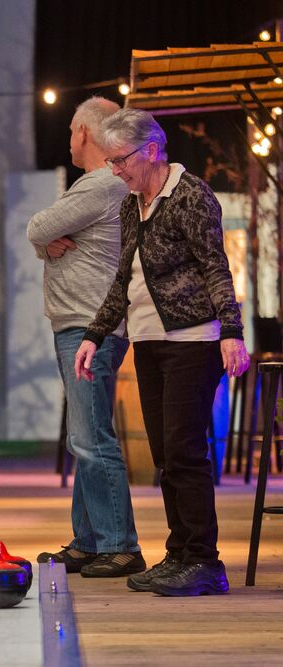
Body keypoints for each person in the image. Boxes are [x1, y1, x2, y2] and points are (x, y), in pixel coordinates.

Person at [74, 108, 249, 597]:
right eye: (109, 162)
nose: (115, 170)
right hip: (149, 342)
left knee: (185, 452)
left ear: (151, 149)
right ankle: (179, 555)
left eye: (119, 160)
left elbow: (216, 267)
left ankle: (205, 563)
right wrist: (94, 333)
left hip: (193, 342)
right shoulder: (134, 204)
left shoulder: (190, 194)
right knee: (164, 456)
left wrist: (231, 332)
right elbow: (123, 279)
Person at [27, 97, 143, 578]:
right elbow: (44, 236)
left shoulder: (99, 184)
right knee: (84, 434)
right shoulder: (105, 186)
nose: (68, 139)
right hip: (83, 324)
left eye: (71, 131)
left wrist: (42, 240)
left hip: (88, 327)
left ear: (82, 134)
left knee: (92, 436)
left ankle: (120, 544)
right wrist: (44, 243)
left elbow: (38, 226)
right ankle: (90, 539)